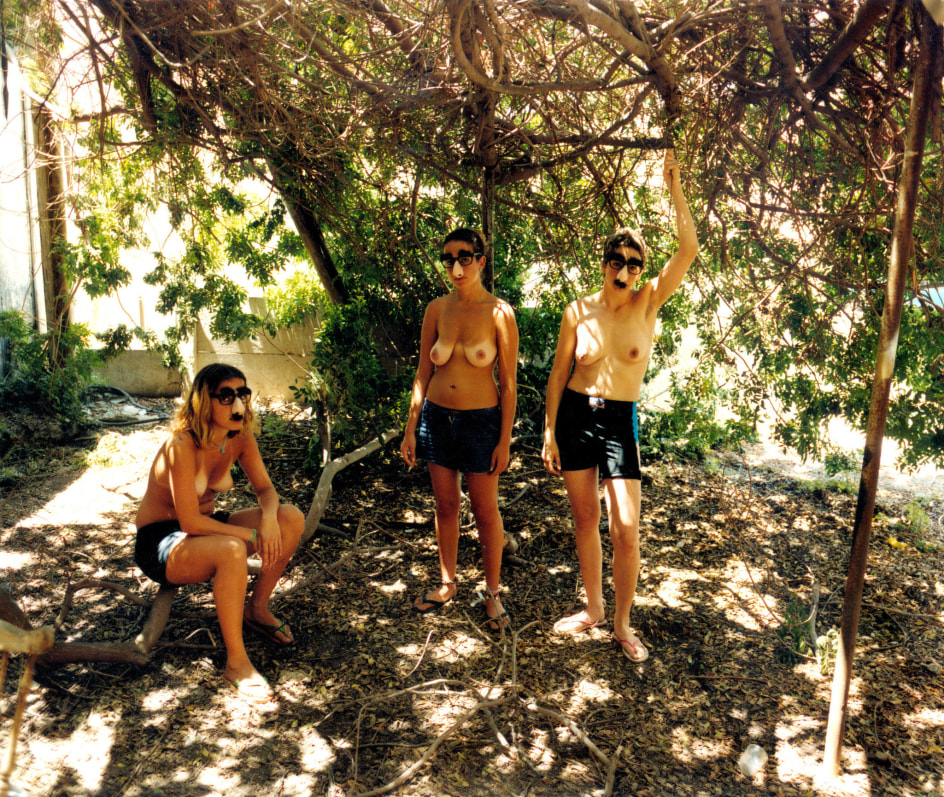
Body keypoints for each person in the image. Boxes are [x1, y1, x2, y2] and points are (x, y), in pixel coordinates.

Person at [542, 150, 698, 662]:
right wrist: (548, 432)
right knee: (585, 519)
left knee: (625, 527)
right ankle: (593, 609)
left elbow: (689, 248)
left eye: (634, 263)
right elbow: (558, 376)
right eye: (618, 261)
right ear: (604, 262)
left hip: (618, 422)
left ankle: (624, 623)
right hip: (573, 416)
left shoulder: (648, 302)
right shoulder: (577, 311)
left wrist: (673, 185)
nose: (625, 270)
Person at [135, 363, 304, 705]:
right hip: (163, 541)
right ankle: (236, 663)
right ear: (203, 401)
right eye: (225, 396)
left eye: (242, 393)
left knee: (291, 518)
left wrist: (269, 519)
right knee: (231, 549)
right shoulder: (181, 444)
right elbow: (189, 523)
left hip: (205, 529)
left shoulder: (239, 437)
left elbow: (267, 491)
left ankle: (257, 608)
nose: (237, 403)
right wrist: (246, 536)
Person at [400, 228, 518, 631]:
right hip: (436, 418)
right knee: (445, 505)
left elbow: (509, 383)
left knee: (486, 511)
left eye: (465, 257)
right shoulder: (437, 309)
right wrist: (411, 426)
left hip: (480, 423)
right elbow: (422, 371)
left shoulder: (499, 312)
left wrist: (504, 439)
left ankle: (492, 593)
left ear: (481, 261)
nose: (456, 266)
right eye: (448, 258)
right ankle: (448, 582)